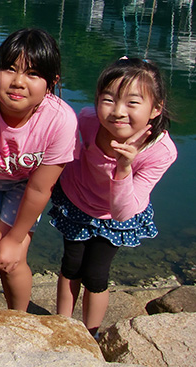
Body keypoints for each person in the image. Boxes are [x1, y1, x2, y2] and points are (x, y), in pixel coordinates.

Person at [0, 28, 79, 311]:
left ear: (51, 82)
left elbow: (41, 187)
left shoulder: (61, 121)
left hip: (26, 186)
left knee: (9, 258)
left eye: (32, 74)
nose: (18, 82)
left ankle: (19, 319)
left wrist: (15, 238)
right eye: (9, 69)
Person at [49, 57, 177, 338]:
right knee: (71, 265)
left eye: (132, 103)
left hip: (117, 212)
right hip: (77, 199)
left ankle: (90, 334)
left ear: (155, 109)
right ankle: (61, 326)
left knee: (96, 274)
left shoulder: (160, 151)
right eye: (108, 99)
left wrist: (123, 168)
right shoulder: (87, 121)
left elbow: (123, 212)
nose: (118, 112)